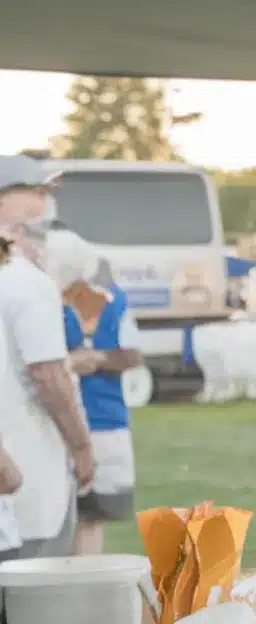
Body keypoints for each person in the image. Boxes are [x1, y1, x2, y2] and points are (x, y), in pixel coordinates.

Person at [0, 156, 89, 564]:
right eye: (36, 191)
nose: (45, 202)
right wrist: (83, 448)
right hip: (25, 486)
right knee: (32, 619)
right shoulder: (22, 279)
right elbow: (49, 377)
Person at [45, 228, 143, 556]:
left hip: (103, 420)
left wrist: (97, 359)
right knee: (54, 519)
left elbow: (132, 355)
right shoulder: (40, 300)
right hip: (52, 423)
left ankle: (83, 593)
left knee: (92, 516)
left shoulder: (112, 301)